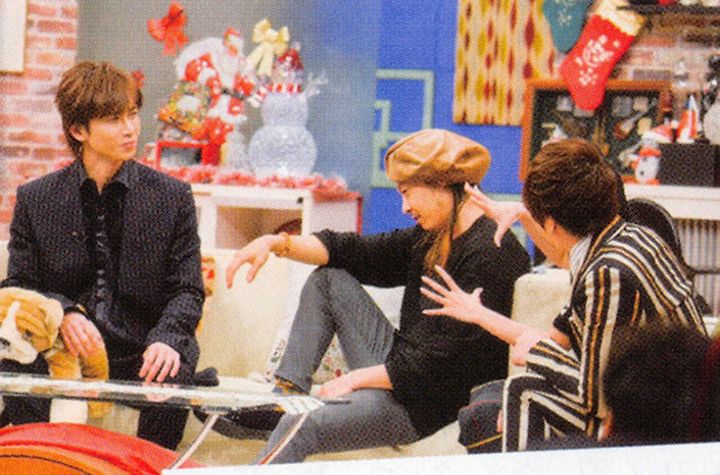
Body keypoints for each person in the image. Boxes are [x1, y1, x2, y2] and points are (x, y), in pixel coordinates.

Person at [221, 128, 530, 463]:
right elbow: (351, 250)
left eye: (407, 193)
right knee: (329, 280)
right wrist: (275, 243)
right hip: (404, 374)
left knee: (302, 424)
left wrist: (355, 379)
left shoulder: (492, 253)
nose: (404, 207)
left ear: (442, 183)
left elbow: (439, 366)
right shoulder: (432, 237)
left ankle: (286, 419)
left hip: (429, 405)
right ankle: (286, 395)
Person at [421, 138, 706, 451]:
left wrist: (537, 351)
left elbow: (596, 400)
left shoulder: (606, 274)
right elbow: (564, 268)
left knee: (520, 392)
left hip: (667, 423)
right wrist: (482, 314)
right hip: (688, 402)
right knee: (500, 395)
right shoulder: (629, 237)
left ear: (551, 223)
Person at [0, 61, 205, 450]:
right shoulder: (36, 199)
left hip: (141, 349)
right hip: (63, 351)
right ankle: (37, 461)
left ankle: (150, 467)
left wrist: (167, 338)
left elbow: (187, 289)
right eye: (114, 119)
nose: (130, 128)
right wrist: (64, 312)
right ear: (79, 130)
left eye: (132, 114)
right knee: (12, 358)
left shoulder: (172, 197)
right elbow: (19, 285)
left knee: (174, 362)